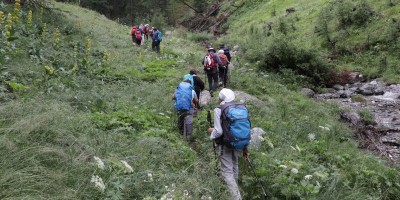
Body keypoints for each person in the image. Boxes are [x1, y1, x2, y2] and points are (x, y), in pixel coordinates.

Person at [207, 88, 250, 200]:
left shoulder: (219, 109)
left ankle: (236, 197)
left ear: (221, 98)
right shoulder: (241, 107)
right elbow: (244, 129)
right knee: (234, 166)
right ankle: (234, 191)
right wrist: (245, 148)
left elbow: (219, 131)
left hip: (224, 144)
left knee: (227, 171)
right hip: (239, 142)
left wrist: (211, 133)